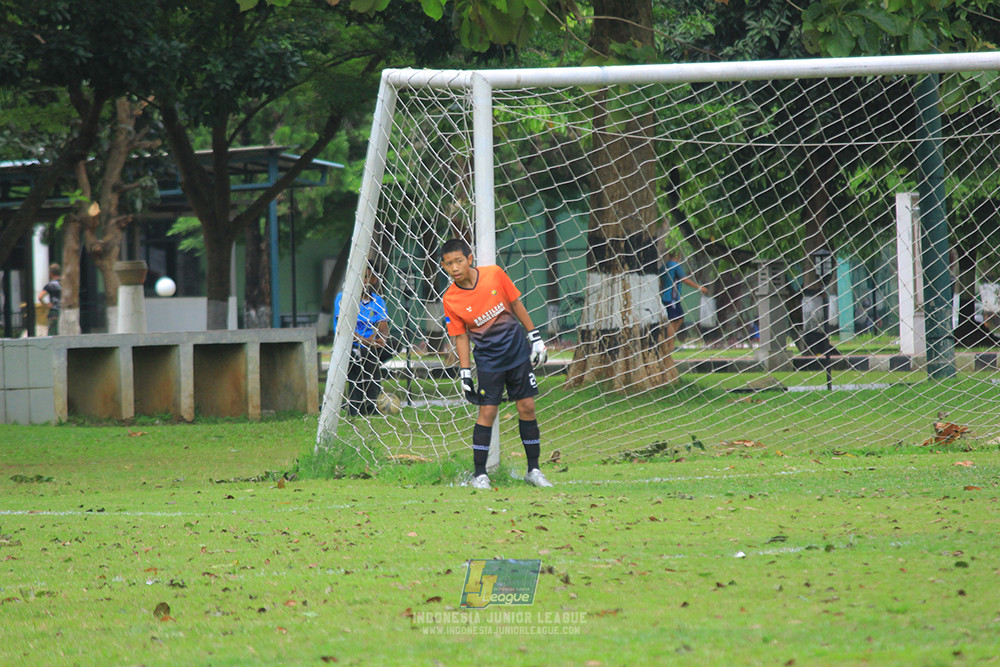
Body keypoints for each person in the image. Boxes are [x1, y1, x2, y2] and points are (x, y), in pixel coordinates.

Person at [440, 238, 552, 489]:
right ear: (443, 266)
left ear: (469, 259)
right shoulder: (451, 299)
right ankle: (480, 475)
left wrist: (535, 337)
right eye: (448, 264)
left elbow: (516, 303)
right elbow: (460, 336)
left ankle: (534, 470)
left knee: (527, 407)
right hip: (489, 360)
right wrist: (465, 372)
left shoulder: (494, 274)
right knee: (487, 412)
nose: (455, 267)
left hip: (517, 352)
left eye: (459, 261)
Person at [334, 270, 391, 416]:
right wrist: (368, 342)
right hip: (350, 345)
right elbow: (345, 331)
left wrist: (382, 339)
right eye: (359, 277)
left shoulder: (378, 301)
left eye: (366, 277)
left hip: (372, 345)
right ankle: (369, 406)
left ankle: (362, 406)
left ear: (374, 279)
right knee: (366, 356)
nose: (362, 281)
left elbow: (384, 328)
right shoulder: (343, 298)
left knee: (394, 344)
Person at [660, 251, 708, 351]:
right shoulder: (675, 266)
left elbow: (661, 281)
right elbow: (685, 280)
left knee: (680, 319)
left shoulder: (664, 266)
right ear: (678, 255)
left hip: (668, 297)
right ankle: (670, 346)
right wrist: (699, 287)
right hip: (672, 298)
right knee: (673, 321)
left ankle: (668, 342)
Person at [38, 263, 62, 336]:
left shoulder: (50, 285)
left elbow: (40, 297)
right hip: (65, 310)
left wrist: (46, 305)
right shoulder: (64, 283)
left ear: (51, 273)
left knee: (53, 331)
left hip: (54, 311)